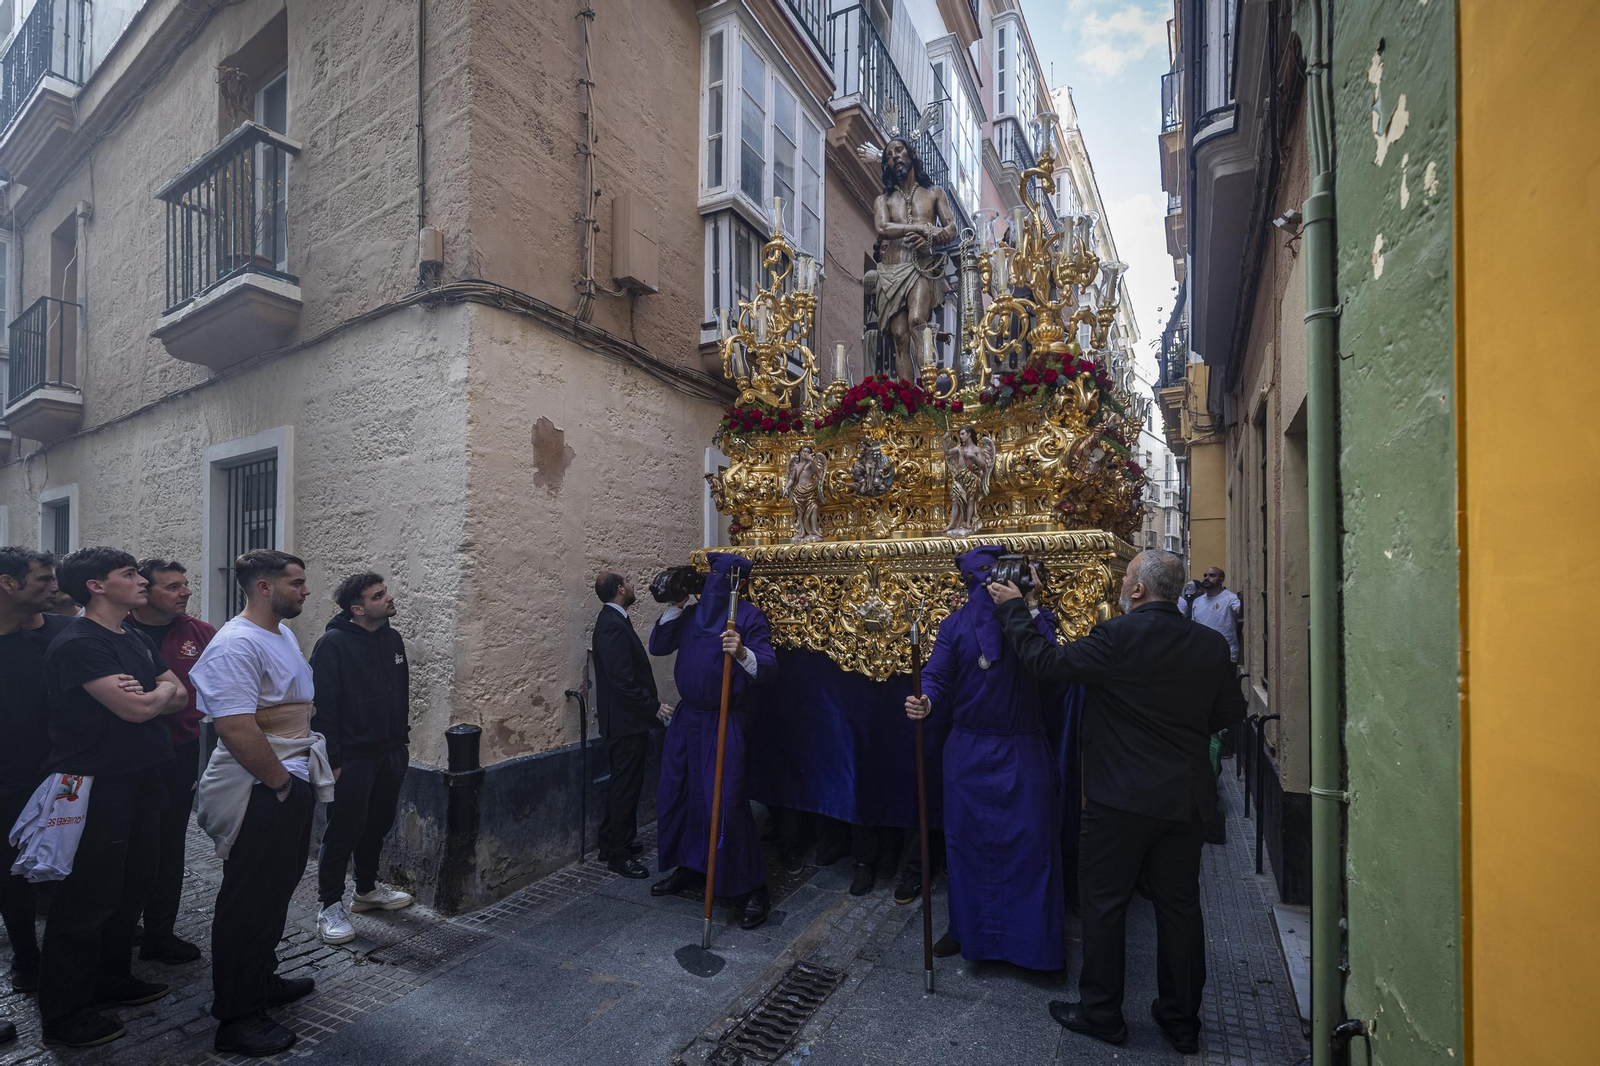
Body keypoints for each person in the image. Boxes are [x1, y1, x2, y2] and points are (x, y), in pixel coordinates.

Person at [989, 550, 1247, 1054]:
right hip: (1184, 798)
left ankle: (1103, 1013)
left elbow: (1046, 663)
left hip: (1119, 799)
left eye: (1125, 578)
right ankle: (1181, 1021)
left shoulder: (1117, 637)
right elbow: (1229, 713)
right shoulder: (1211, 646)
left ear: (1136, 591)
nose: (1121, 584)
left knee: (1105, 907)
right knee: (1179, 909)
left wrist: (1016, 609)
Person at [37, 548, 187, 1049]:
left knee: (131, 886)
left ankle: (111, 979)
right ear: (96, 587)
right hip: (95, 785)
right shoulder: (80, 642)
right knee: (86, 898)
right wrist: (153, 695)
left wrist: (153, 693)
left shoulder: (134, 634)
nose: (141, 580)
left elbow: (178, 694)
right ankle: (65, 1014)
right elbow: (137, 710)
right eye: (129, 575)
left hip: (142, 776)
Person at [191, 550, 333, 1057]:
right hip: (261, 785)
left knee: (274, 892)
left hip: (289, 776)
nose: (306, 590)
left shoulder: (282, 633)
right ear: (265, 588)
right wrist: (279, 783)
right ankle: (237, 1016)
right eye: (296, 582)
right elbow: (233, 725)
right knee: (246, 902)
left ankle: (261, 980)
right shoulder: (235, 644)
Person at [903, 546, 1064, 972]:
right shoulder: (955, 625)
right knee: (967, 845)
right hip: (969, 751)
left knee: (1029, 848)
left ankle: (1030, 945)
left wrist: (1028, 606)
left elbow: (1050, 665)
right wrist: (926, 700)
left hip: (1021, 749)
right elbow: (936, 675)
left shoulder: (1036, 621)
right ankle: (966, 930)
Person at [648, 554, 777, 929]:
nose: (715, 584)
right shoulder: (692, 615)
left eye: (724, 578)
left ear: (736, 583)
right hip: (689, 718)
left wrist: (741, 651)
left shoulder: (748, 617)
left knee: (723, 800)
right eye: (712, 576)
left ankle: (750, 887)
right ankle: (691, 865)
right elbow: (658, 645)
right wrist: (676, 604)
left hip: (724, 719)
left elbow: (768, 667)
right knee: (679, 793)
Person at [311, 573, 415, 946]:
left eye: (384, 591)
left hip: (389, 751)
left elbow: (400, 692)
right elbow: (322, 707)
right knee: (343, 830)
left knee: (378, 823)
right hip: (352, 756)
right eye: (378, 595)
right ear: (358, 609)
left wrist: (400, 743)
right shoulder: (333, 645)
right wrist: (333, 759)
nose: (388, 598)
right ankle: (328, 906)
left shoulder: (392, 638)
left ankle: (366, 890)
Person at [127, 558, 216, 965]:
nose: (185, 592)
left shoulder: (200, 633)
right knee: (126, 846)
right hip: (127, 757)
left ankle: (159, 932)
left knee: (168, 845)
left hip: (180, 752)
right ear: (145, 591)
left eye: (185, 585)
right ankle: (121, 928)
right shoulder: (117, 632)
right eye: (173, 586)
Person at [0, 548, 70, 1006]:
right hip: (6, 781)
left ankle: (52, 961)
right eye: (43, 579)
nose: (54, 587)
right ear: (8, 584)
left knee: (54, 871)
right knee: (10, 878)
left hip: (54, 777)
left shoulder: (56, 636)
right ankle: (26, 956)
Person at [590, 571, 670, 880]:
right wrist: (653, 706)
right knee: (626, 788)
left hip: (626, 722)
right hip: (625, 724)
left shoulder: (615, 620)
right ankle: (619, 855)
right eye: (629, 582)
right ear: (620, 589)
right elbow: (622, 681)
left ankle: (611, 843)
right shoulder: (611, 625)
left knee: (622, 785)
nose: (633, 585)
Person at [1179, 567, 1242, 663]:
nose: (1207, 578)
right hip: (1202, 655)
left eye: (1212, 575)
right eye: (1205, 575)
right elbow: (1194, 625)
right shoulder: (1197, 601)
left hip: (1225, 655)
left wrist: (1242, 601)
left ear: (1221, 580)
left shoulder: (1230, 598)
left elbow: (1241, 614)